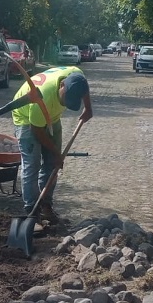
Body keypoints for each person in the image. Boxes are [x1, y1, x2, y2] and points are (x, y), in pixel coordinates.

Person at [11, 66, 92, 225]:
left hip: (51, 117)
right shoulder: (44, 96)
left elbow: (84, 86)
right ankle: (32, 212)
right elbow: (37, 131)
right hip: (27, 120)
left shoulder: (77, 75)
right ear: (62, 85)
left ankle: (46, 206)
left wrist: (88, 107)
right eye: (65, 99)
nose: (65, 103)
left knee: (53, 165)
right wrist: (56, 152)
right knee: (32, 165)